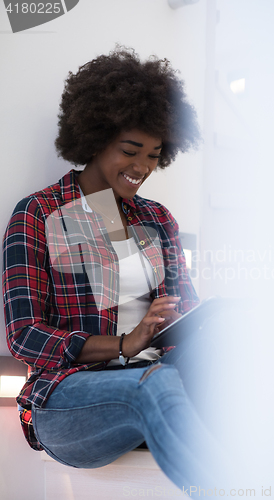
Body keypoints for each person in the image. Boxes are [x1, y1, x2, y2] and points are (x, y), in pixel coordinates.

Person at [2, 47, 223, 494]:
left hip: (159, 378)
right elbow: (24, 335)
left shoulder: (157, 220)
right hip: (67, 401)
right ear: (95, 136)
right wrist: (123, 344)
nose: (142, 167)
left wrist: (192, 325)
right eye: (130, 150)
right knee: (155, 383)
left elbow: (187, 313)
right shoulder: (39, 213)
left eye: (155, 155)